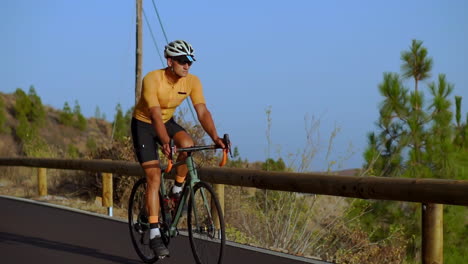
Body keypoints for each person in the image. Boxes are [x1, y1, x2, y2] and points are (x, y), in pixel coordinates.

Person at [131, 40, 226, 257]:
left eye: (190, 61)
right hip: (144, 124)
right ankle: (154, 232)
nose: (187, 65)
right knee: (154, 177)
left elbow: (202, 111)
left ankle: (176, 191)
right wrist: (165, 142)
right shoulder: (153, 79)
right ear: (170, 61)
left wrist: (215, 137)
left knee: (187, 144)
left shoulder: (192, 81)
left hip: (167, 121)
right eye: (183, 61)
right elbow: (154, 114)